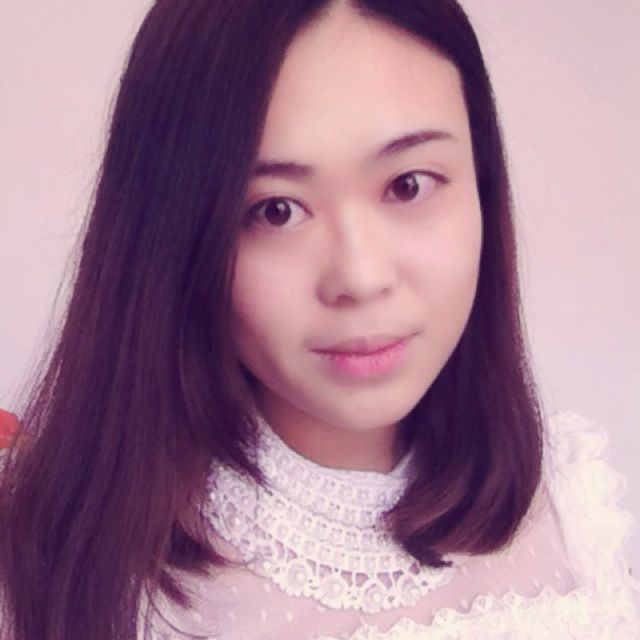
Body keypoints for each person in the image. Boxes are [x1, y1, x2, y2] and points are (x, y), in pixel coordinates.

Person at [1, 0, 638, 638]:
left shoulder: (569, 499)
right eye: (276, 210)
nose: (360, 277)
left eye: (409, 185)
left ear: (483, 183)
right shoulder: (74, 571)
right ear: (170, 237)